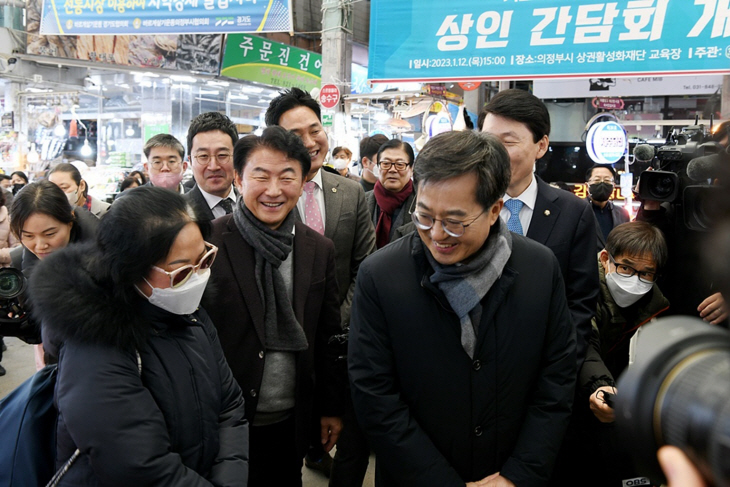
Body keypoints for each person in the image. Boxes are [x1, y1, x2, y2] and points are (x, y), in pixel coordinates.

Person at [349, 130, 577, 486]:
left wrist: (519, 474)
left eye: (455, 221)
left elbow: (556, 379)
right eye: (424, 216)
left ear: (494, 210)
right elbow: (374, 393)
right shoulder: (381, 276)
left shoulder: (539, 269)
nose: (437, 233)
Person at [29, 186, 249, 485]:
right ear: (131, 270)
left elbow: (230, 406)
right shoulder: (95, 351)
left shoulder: (191, 314)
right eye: (181, 271)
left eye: (205, 260)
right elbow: (141, 467)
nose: (198, 276)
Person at [204, 126, 345, 487]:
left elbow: (328, 335)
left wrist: (330, 407)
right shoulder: (208, 240)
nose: (273, 190)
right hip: (222, 420)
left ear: (302, 182)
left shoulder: (319, 249)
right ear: (238, 178)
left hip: (290, 420)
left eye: (287, 177)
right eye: (260, 176)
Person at [266, 87, 376, 478]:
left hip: (339, 338)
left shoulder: (350, 192)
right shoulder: (268, 194)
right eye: (297, 135)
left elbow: (364, 264)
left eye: (315, 129)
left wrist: (333, 319)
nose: (311, 142)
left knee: (343, 429)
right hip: (280, 343)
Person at [480, 88, 598, 366]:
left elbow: (580, 304)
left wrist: (562, 368)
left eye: (508, 142)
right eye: (487, 141)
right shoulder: (470, 206)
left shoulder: (574, 212)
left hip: (543, 364)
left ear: (541, 146)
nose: (494, 154)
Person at [577, 221, 669, 485]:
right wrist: (600, 385)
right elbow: (584, 341)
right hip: (577, 393)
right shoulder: (581, 288)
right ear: (606, 258)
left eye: (645, 273)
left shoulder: (655, 305)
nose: (634, 280)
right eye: (626, 267)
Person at [183, 112, 238, 221]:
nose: (213, 166)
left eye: (222, 155)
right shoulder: (178, 213)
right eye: (203, 156)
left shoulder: (253, 204)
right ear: (190, 161)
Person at [366, 139, 416, 249]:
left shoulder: (421, 204)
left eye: (400, 164)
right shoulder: (362, 201)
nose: (392, 170)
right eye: (386, 164)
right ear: (378, 167)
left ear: (411, 169)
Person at [585, 165, 629, 247]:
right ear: (587, 186)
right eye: (597, 180)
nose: (602, 183)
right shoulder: (577, 210)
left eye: (607, 180)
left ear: (613, 186)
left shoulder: (623, 214)